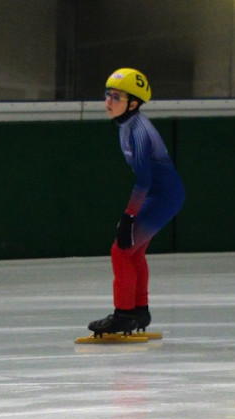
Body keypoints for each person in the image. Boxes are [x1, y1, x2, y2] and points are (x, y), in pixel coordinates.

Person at [88, 68, 185, 335]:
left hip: (161, 195)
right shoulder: (127, 125)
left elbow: (143, 181)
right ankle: (139, 311)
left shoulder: (138, 132)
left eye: (116, 97)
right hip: (164, 193)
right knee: (134, 252)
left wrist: (129, 216)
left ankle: (124, 314)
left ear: (133, 104)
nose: (108, 101)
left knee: (120, 251)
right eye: (107, 95)